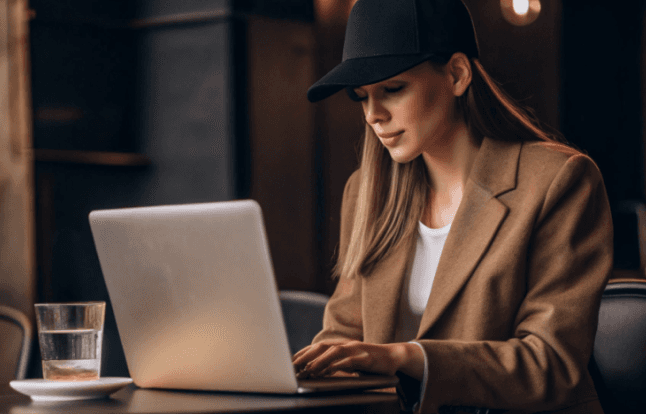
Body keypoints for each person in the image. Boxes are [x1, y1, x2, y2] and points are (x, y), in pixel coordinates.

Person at [291, 0, 613, 413]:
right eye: (362, 97)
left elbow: (550, 364)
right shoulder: (367, 193)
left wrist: (407, 357)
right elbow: (343, 338)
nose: (374, 115)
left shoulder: (559, 181)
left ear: (457, 74)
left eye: (393, 89)